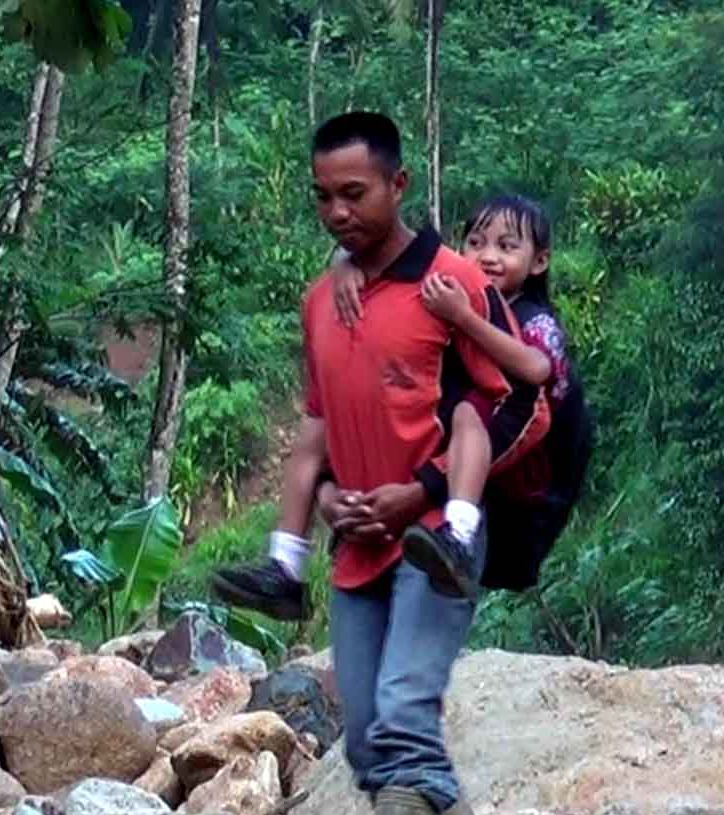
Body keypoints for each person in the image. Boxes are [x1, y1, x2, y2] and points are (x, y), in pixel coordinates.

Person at [217, 110, 503, 815]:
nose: (338, 212)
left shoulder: (456, 283)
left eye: (354, 193)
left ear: (398, 184)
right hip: (356, 548)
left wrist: (425, 491)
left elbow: (510, 411)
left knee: (406, 714)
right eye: (323, 197)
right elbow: (326, 422)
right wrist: (327, 499)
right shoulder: (322, 299)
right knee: (366, 741)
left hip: (433, 540)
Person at [210, 207, 551, 618]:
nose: (487, 256)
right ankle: (286, 562)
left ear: (540, 260)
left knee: (466, 415)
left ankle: (458, 535)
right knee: (313, 431)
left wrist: (462, 315)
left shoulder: (529, 319)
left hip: (498, 472)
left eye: (506, 246)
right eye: (475, 243)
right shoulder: (450, 289)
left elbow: (536, 372)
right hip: (415, 470)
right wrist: (345, 263)